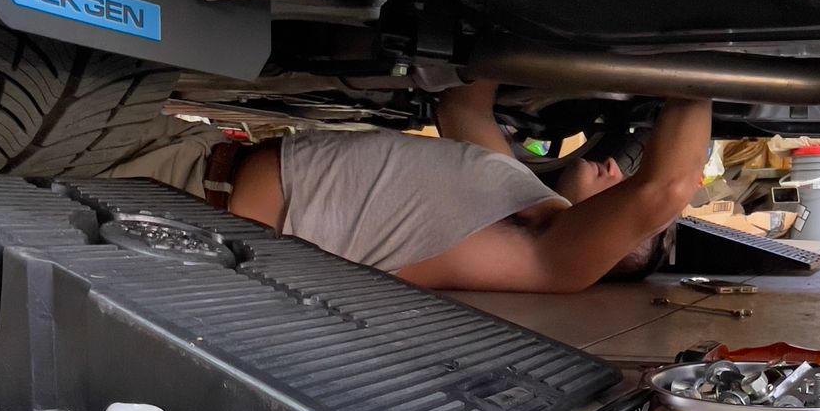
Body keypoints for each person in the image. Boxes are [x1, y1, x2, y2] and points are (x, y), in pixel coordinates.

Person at [104, 82, 712, 293]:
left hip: (175, 204)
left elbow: (667, 186)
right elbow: (464, 104)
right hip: (199, 152)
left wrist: (703, 64)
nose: (618, 173)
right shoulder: (518, 187)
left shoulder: (549, 260)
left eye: (629, 208)